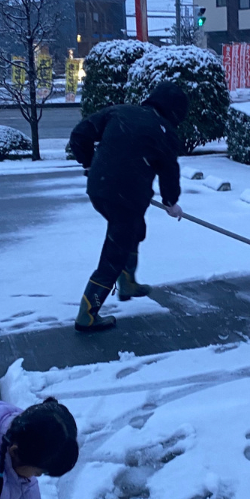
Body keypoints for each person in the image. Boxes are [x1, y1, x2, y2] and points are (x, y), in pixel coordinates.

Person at [68, 79, 189, 332]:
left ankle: (128, 282)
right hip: (127, 197)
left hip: (99, 189)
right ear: (176, 111)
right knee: (115, 252)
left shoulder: (120, 111)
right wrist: (171, 202)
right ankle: (88, 314)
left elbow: (80, 134)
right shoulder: (165, 131)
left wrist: (89, 164)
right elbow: (169, 171)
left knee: (135, 230)